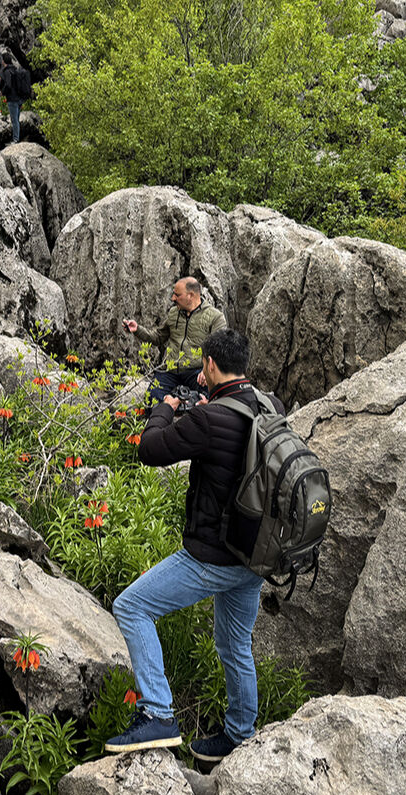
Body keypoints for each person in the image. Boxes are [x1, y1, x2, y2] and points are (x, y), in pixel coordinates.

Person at [104, 329, 285, 763]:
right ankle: (240, 734)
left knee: (132, 607)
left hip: (213, 555)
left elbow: (149, 450)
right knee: (235, 645)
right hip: (255, 554)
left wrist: (165, 410)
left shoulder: (209, 419)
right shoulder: (269, 405)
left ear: (208, 365)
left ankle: (158, 714)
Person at [122, 277, 226, 406]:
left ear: (191, 295)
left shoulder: (215, 317)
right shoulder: (173, 313)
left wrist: (207, 371)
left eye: (177, 295)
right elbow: (158, 337)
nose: (173, 298)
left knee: (207, 400)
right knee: (152, 400)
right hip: (170, 370)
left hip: (197, 372)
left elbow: (220, 348)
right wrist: (137, 329)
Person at [0, 52, 31, 144]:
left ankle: (15, 139)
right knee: (16, 119)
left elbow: (8, 85)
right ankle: (17, 137)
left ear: (3, 61)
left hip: (12, 99)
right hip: (19, 98)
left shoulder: (6, 71)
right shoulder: (15, 69)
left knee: (14, 120)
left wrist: (3, 92)